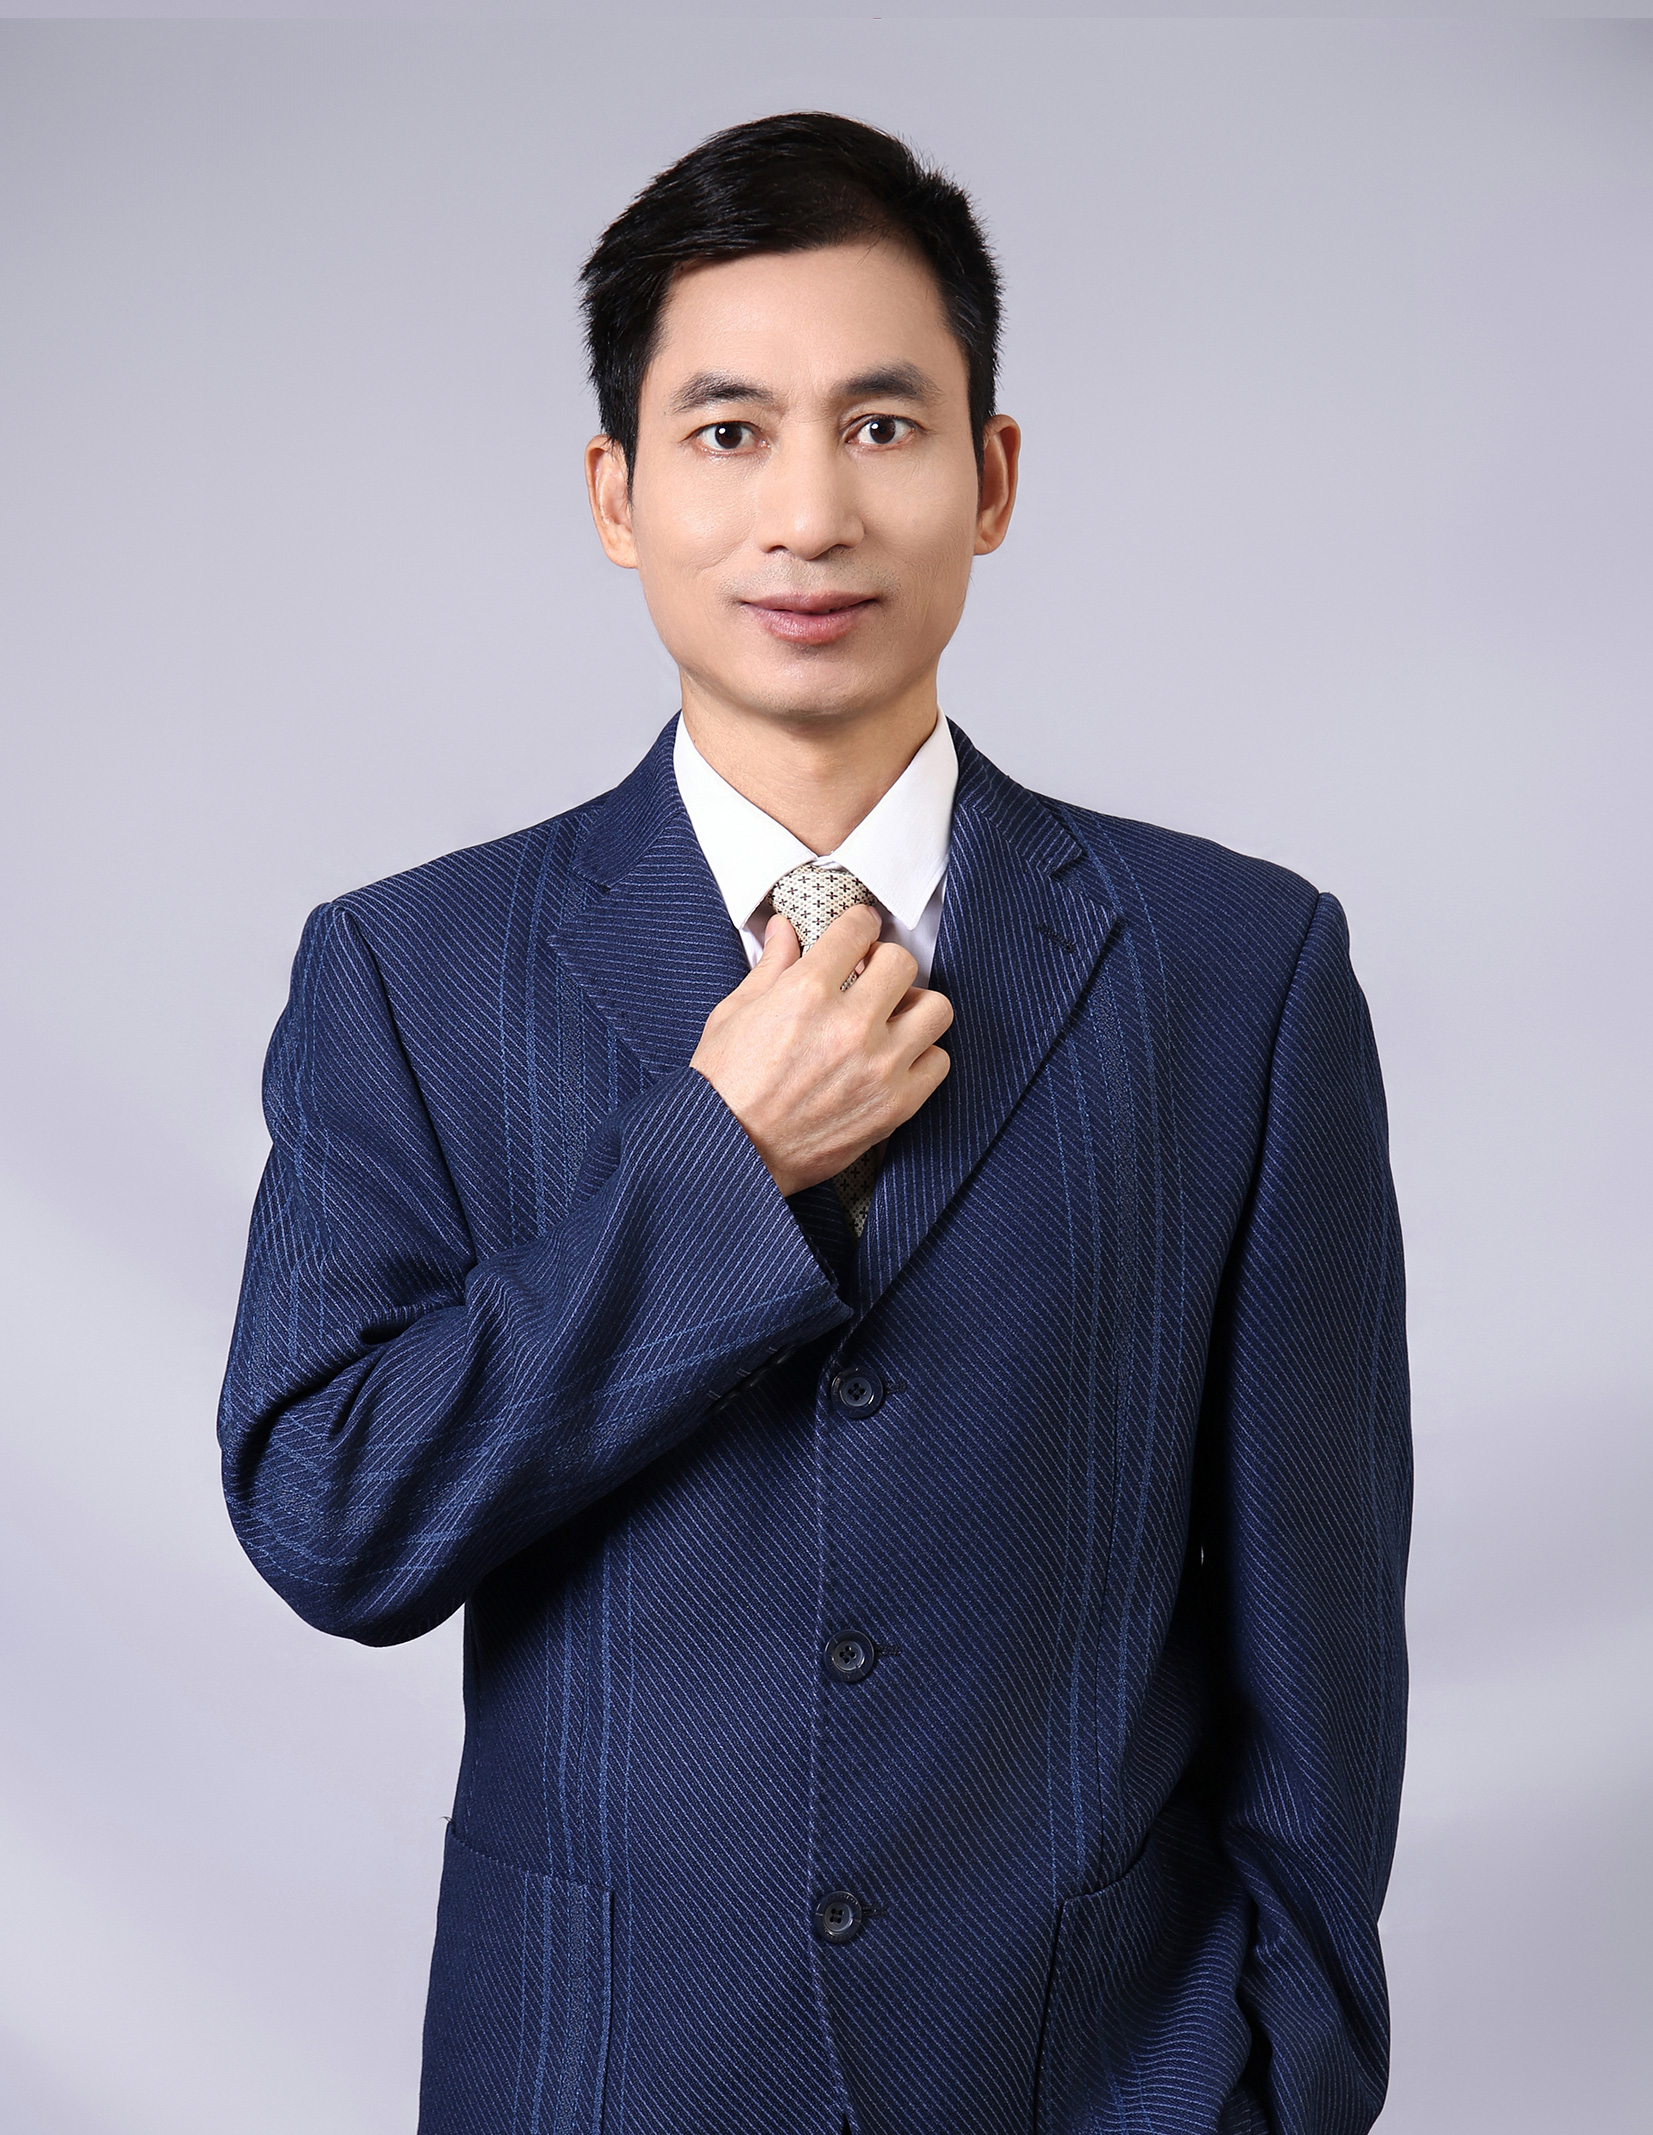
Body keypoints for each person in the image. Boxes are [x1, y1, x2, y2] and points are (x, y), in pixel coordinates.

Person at [219, 112, 1410, 2135]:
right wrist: (719, 1166)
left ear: (989, 477)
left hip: (1091, 2088)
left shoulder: (1238, 969)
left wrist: (1276, 2088)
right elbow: (334, 1516)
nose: (808, 513)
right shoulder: (412, 972)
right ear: (615, 495)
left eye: (878, 426)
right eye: (725, 432)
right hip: (594, 2081)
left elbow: (1318, 1631)